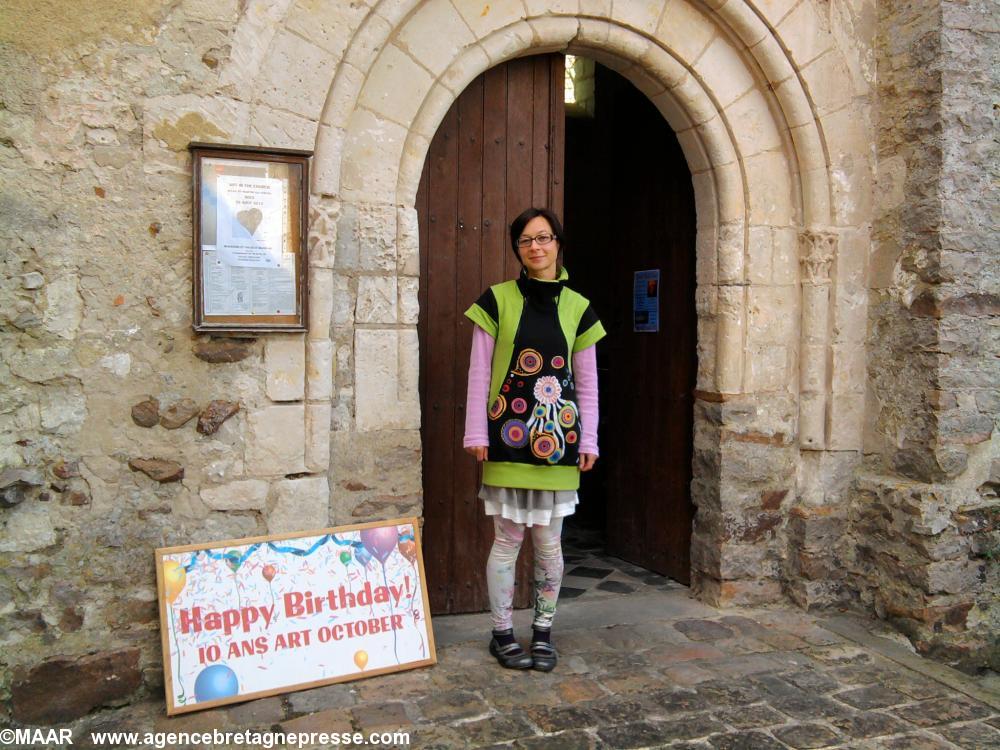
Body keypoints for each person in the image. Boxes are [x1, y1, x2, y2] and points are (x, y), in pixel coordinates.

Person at [463, 207, 605, 671]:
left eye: (544, 238)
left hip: (558, 442)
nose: (536, 247)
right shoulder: (496, 300)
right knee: (506, 542)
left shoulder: (579, 308)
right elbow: (479, 371)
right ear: (517, 250)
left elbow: (586, 383)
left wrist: (590, 440)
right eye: (526, 241)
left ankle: (543, 631)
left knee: (549, 544)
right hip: (506, 439)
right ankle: (501, 632)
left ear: (558, 244)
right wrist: (475, 431)